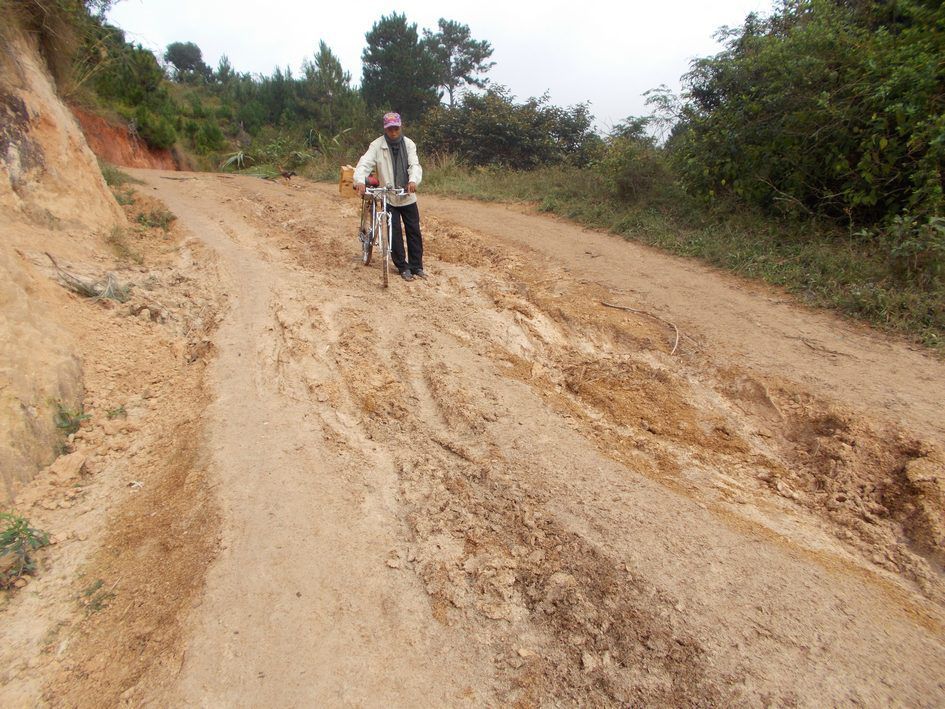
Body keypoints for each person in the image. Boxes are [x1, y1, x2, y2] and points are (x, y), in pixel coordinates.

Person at [353, 112, 426, 281]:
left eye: (396, 128)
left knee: (413, 230)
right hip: (388, 195)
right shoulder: (377, 145)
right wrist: (359, 180)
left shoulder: (409, 144)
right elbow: (365, 163)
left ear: (400, 127)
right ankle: (402, 266)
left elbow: (414, 165)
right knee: (394, 231)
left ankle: (417, 266)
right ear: (385, 129)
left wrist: (413, 180)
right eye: (390, 129)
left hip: (406, 193)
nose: (393, 131)